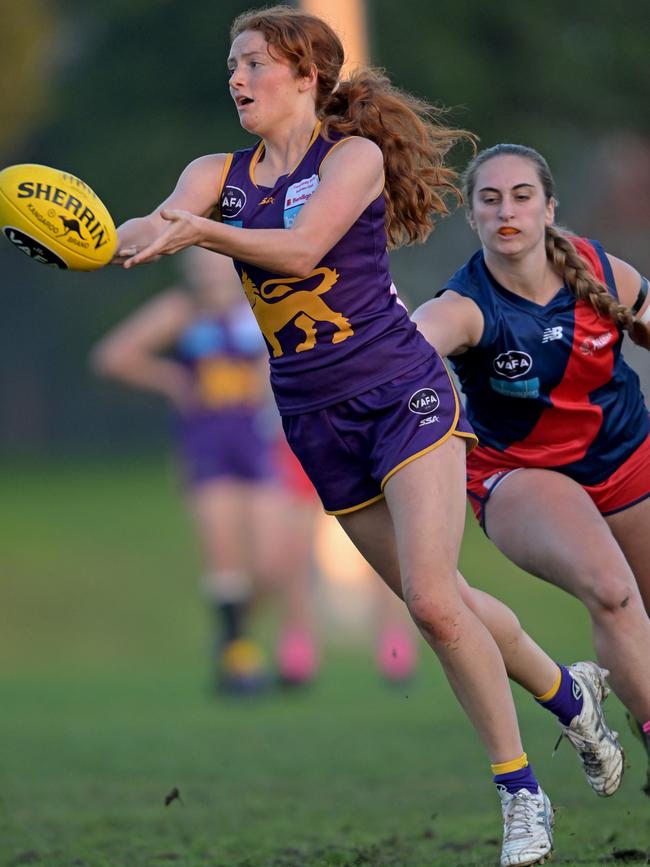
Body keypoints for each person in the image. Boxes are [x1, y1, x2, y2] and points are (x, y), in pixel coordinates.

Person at [109, 8, 620, 863]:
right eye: (230, 66)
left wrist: (199, 232)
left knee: (429, 599)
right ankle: (570, 694)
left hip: (402, 395)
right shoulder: (214, 173)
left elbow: (303, 248)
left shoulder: (352, 157)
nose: (235, 79)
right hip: (314, 418)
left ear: (306, 76)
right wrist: (87, 238)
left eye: (252, 64)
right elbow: (154, 227)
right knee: (447, 597)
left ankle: (520, 792)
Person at [413, 142, 650, 797]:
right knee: (611, 589)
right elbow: (409, 345)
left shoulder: (603, 271)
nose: (507, 210)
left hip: (627, 456)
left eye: (522, 196)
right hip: (522, 475)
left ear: (549, 207)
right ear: (473, 216)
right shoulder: (465, 306)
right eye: (490, 199)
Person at [91, 246, 319, 693]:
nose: (210, 270)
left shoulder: (261, 306)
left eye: (217, 260)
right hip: (207, 447)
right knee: (223, 555)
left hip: (260, 445)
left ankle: (232, 635)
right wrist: (174, 381)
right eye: (201, 262)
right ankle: (237, 659)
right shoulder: (181, 310)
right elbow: (112, 356)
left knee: (273, 562)